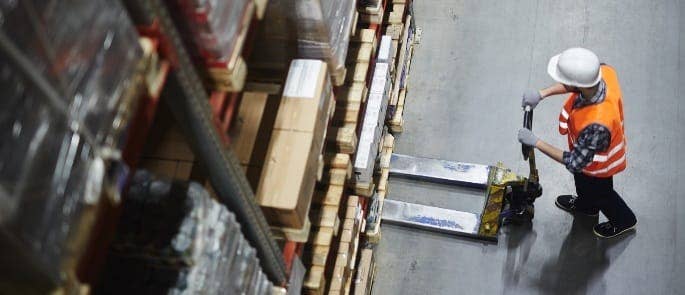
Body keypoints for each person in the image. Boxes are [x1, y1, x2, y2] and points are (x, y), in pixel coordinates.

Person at [517, 47, 637, 238]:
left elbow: (575, 162)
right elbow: (574, 85)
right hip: (586, 152)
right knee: (582, 183)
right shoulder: (603, 71)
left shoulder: (598, 122)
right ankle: (587, 206)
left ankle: (624, 220)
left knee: (601, 193)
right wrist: (541, 94)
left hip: (598, 166)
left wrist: (536, 142)